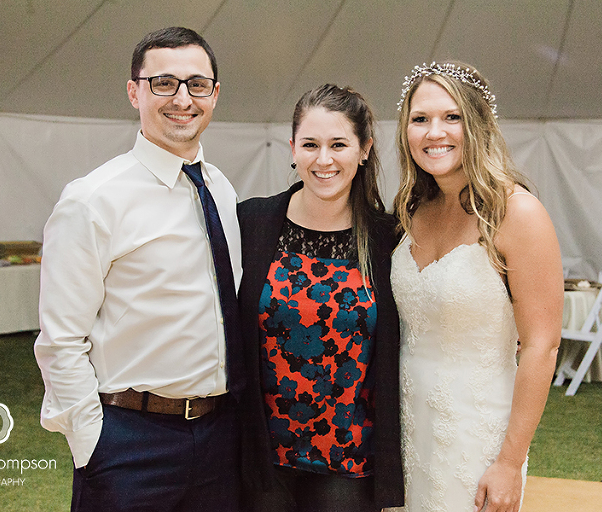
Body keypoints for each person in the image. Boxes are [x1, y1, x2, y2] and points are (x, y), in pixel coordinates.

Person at [34, 27, 244, 512]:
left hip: (220, 438)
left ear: (215, 95)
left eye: (196, 84)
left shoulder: (222, 190)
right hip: (130, 443)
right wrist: (93, 442)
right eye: (164, 83)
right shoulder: (92, 199)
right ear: (135, 92)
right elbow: (60, 341)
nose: (182, 99)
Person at [389, 62, 563, 512]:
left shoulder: (517, 213)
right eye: (420, 119)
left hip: (477, 437)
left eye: (452, 117)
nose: (434, 132)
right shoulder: (411, 210)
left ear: (479, 124)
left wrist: (509, 461)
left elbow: (542, 345)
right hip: (405, 431)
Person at [237, 84, 404, 512]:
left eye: (338, 144)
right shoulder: (251, 223)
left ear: (364, 149)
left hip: (349, 461)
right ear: (293, 148)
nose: (323, 159)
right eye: (310, 144)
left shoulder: (389, 239)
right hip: (263, 460)